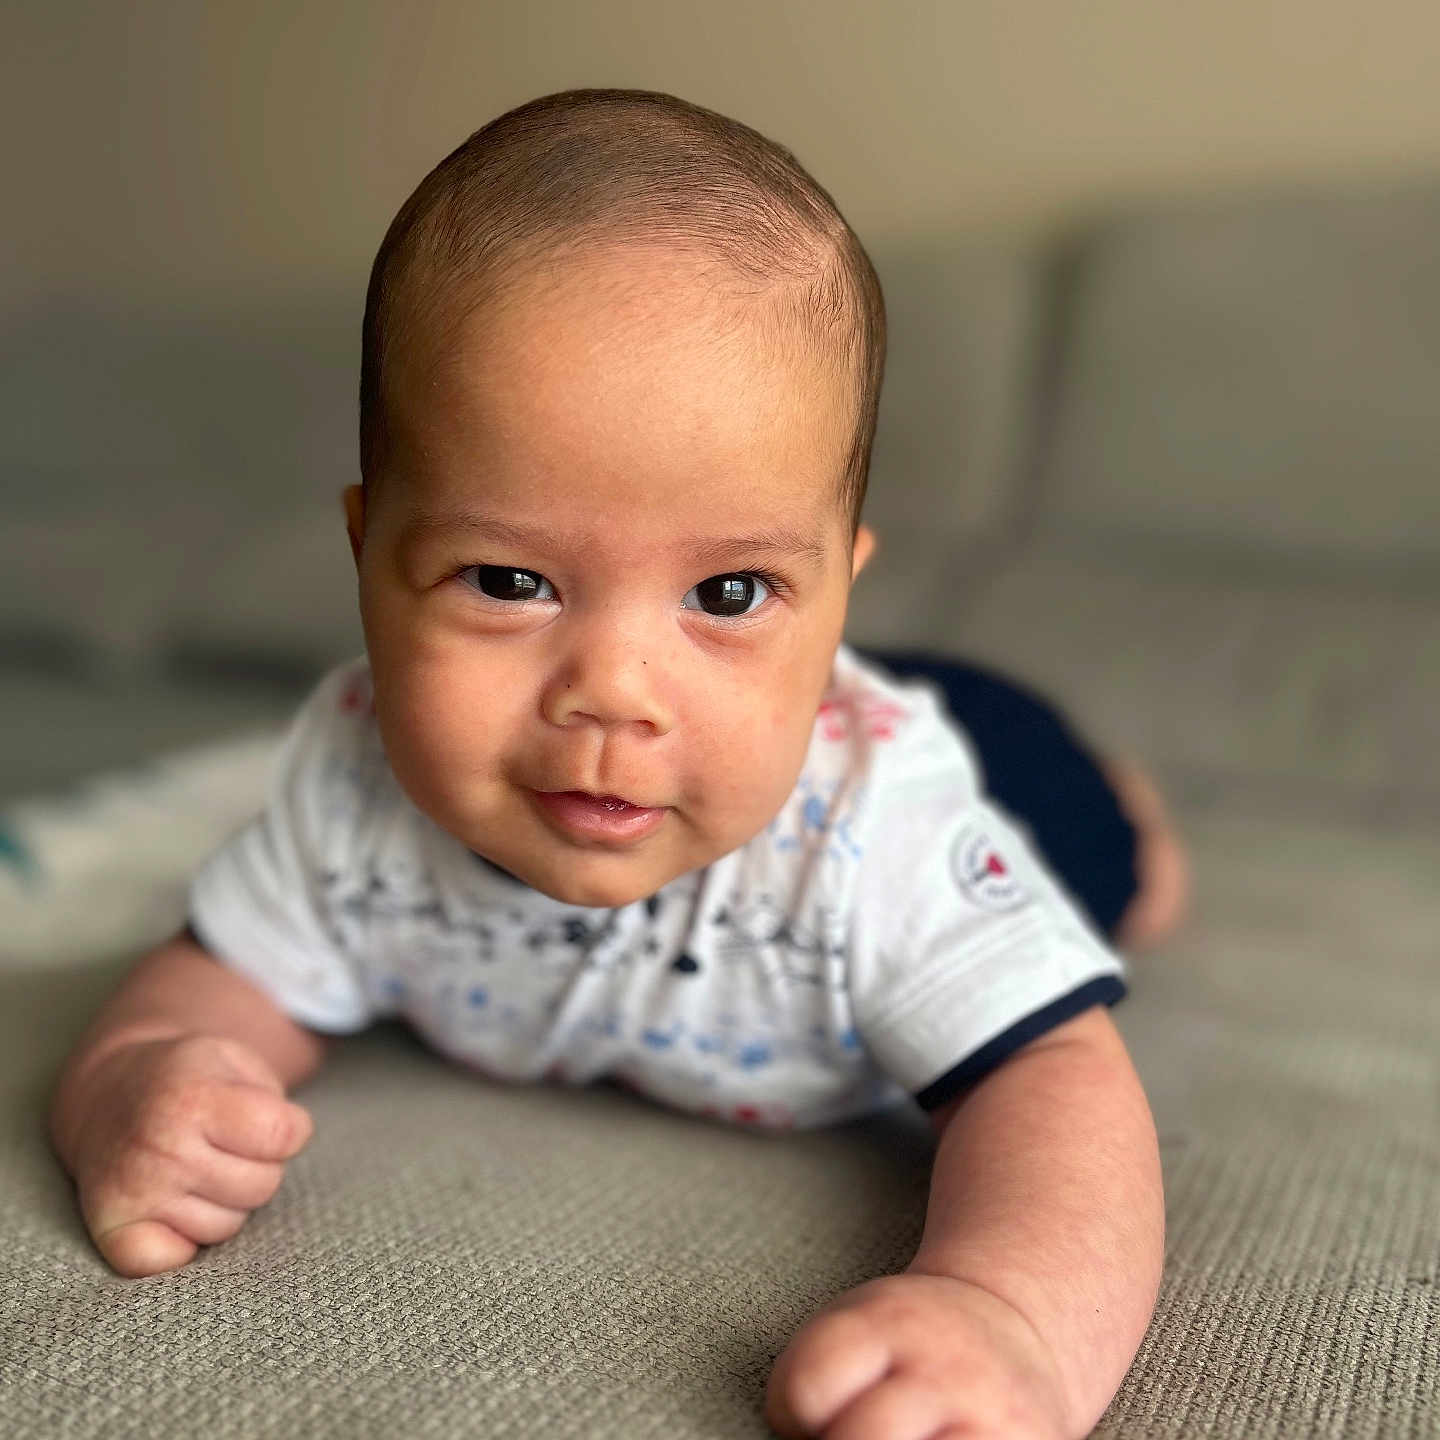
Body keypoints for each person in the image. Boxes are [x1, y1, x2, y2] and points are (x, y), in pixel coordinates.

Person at [49, 90, 1183, 1439]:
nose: (611, 697)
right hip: (785, 725)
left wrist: (1010, 1315)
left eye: (731, 591)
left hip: (990, 759)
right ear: (369, 554)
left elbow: (1052, 1076)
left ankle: (1128, 803)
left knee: (1113, 867)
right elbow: (217, 981)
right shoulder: (355, 784)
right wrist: (140, 1078)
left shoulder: (883, 841)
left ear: (834, 600)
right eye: (512, 579)